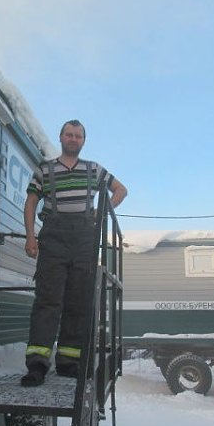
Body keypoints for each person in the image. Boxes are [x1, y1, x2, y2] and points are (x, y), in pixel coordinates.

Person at [21, 119, 128, 387]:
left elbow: (121, 190)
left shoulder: (93, 169)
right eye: (69, 134)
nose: (73, 139)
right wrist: (31, 236)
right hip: (53, 239)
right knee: (47, 301)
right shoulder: (45, 170)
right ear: (61, 138)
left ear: (83, 141)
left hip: (84, 241)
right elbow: (31, 202)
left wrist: (100, 211)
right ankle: (37, 365)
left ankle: (69, 362)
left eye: (78, 136)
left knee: (78, 301)